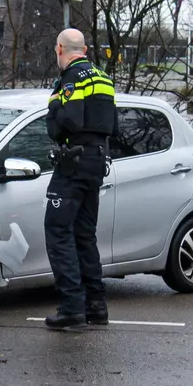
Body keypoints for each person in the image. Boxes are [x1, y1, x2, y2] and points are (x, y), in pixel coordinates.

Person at [43, 28, 119, 331]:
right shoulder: (103, 78)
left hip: (72, 164)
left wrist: (54, 105)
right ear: (85, 49)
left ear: (60, 49)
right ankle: (96, 306)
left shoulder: (71, 79)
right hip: (96, 162)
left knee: (58, 232)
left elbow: (68, 121)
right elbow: (111, 123)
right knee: (85, 235)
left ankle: (71, 307)